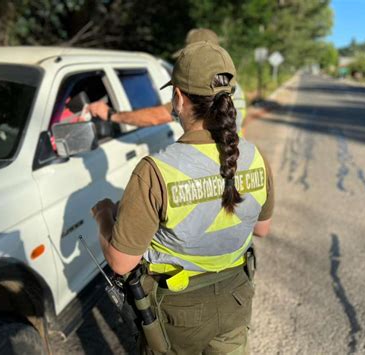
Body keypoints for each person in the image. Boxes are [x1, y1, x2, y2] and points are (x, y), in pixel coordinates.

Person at [91, 41, 274, 354]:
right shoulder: (256, 157)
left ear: (177, 97)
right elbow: (262, 229)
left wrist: (104, 215)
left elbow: (121, 263)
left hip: (174, 315)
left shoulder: (155, 171)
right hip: (236, 298)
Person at [87, 28, 248, 135]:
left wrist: (111, 115)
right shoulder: (233, 86)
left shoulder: (199, 88)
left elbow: (157, 116)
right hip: (235, 156)